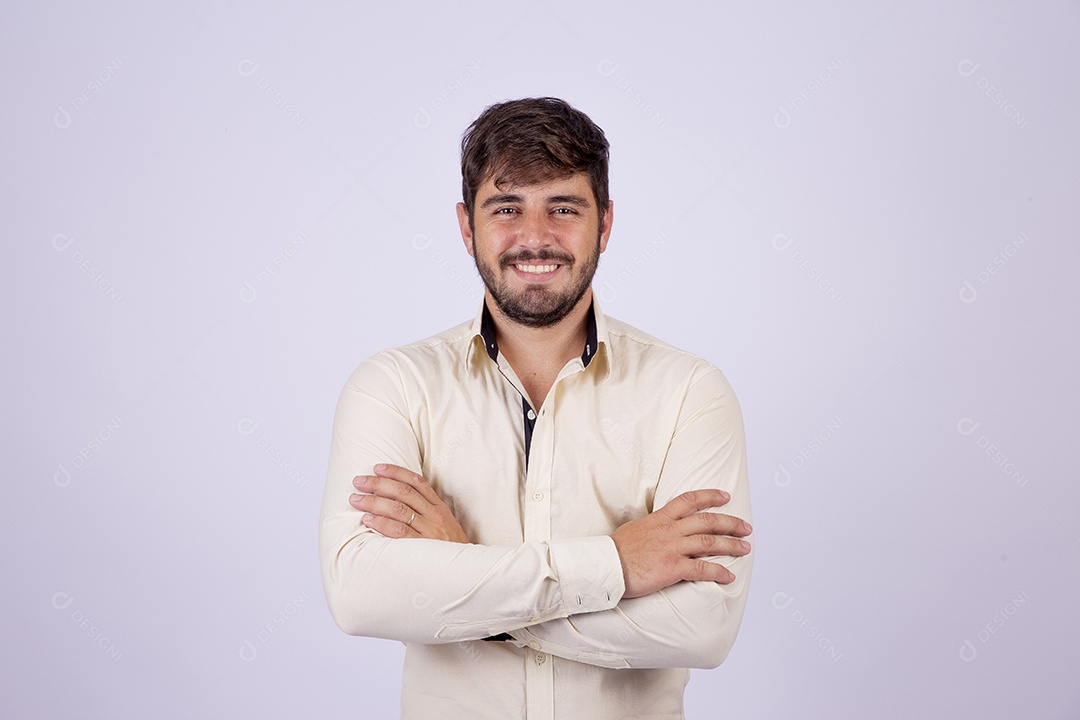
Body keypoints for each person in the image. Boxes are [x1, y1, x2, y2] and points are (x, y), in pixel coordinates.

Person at [319, 97, 753, 719]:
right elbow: (361, 594)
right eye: (507, 208)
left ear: (604, 224)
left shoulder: (689, 391)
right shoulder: (392, 386)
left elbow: (702, 626)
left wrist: (466, 582)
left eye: (564, 209)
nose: (535, 237)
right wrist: (616, 565)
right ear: (467, 227)